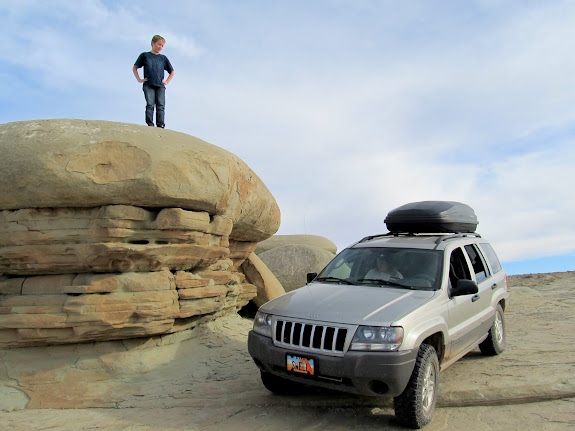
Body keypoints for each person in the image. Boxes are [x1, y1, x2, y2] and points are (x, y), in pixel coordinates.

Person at [133, 35, 175, 128]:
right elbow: (135, 67)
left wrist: (166, 81)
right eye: (159, 44)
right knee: (150, 104)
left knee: (160, 106)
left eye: (162, 46)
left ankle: (160, 125)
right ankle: (150, 124)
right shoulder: (145, 55)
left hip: (160, 85)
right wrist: (139, 79)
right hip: (148, 84)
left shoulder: (163, 58)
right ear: (153, 43)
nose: (160, 47)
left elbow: (172, 71)